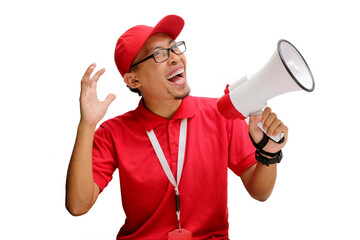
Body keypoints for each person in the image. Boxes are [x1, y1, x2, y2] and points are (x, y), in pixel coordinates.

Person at [65, 15, 288, 240]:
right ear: (133, 81)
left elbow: (260, 192)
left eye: (174, 48)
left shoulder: (222, 113)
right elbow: (77, 205)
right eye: (159, 54)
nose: (175, 58)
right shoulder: (113, 133)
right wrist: (87, 125)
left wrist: (268, 151)